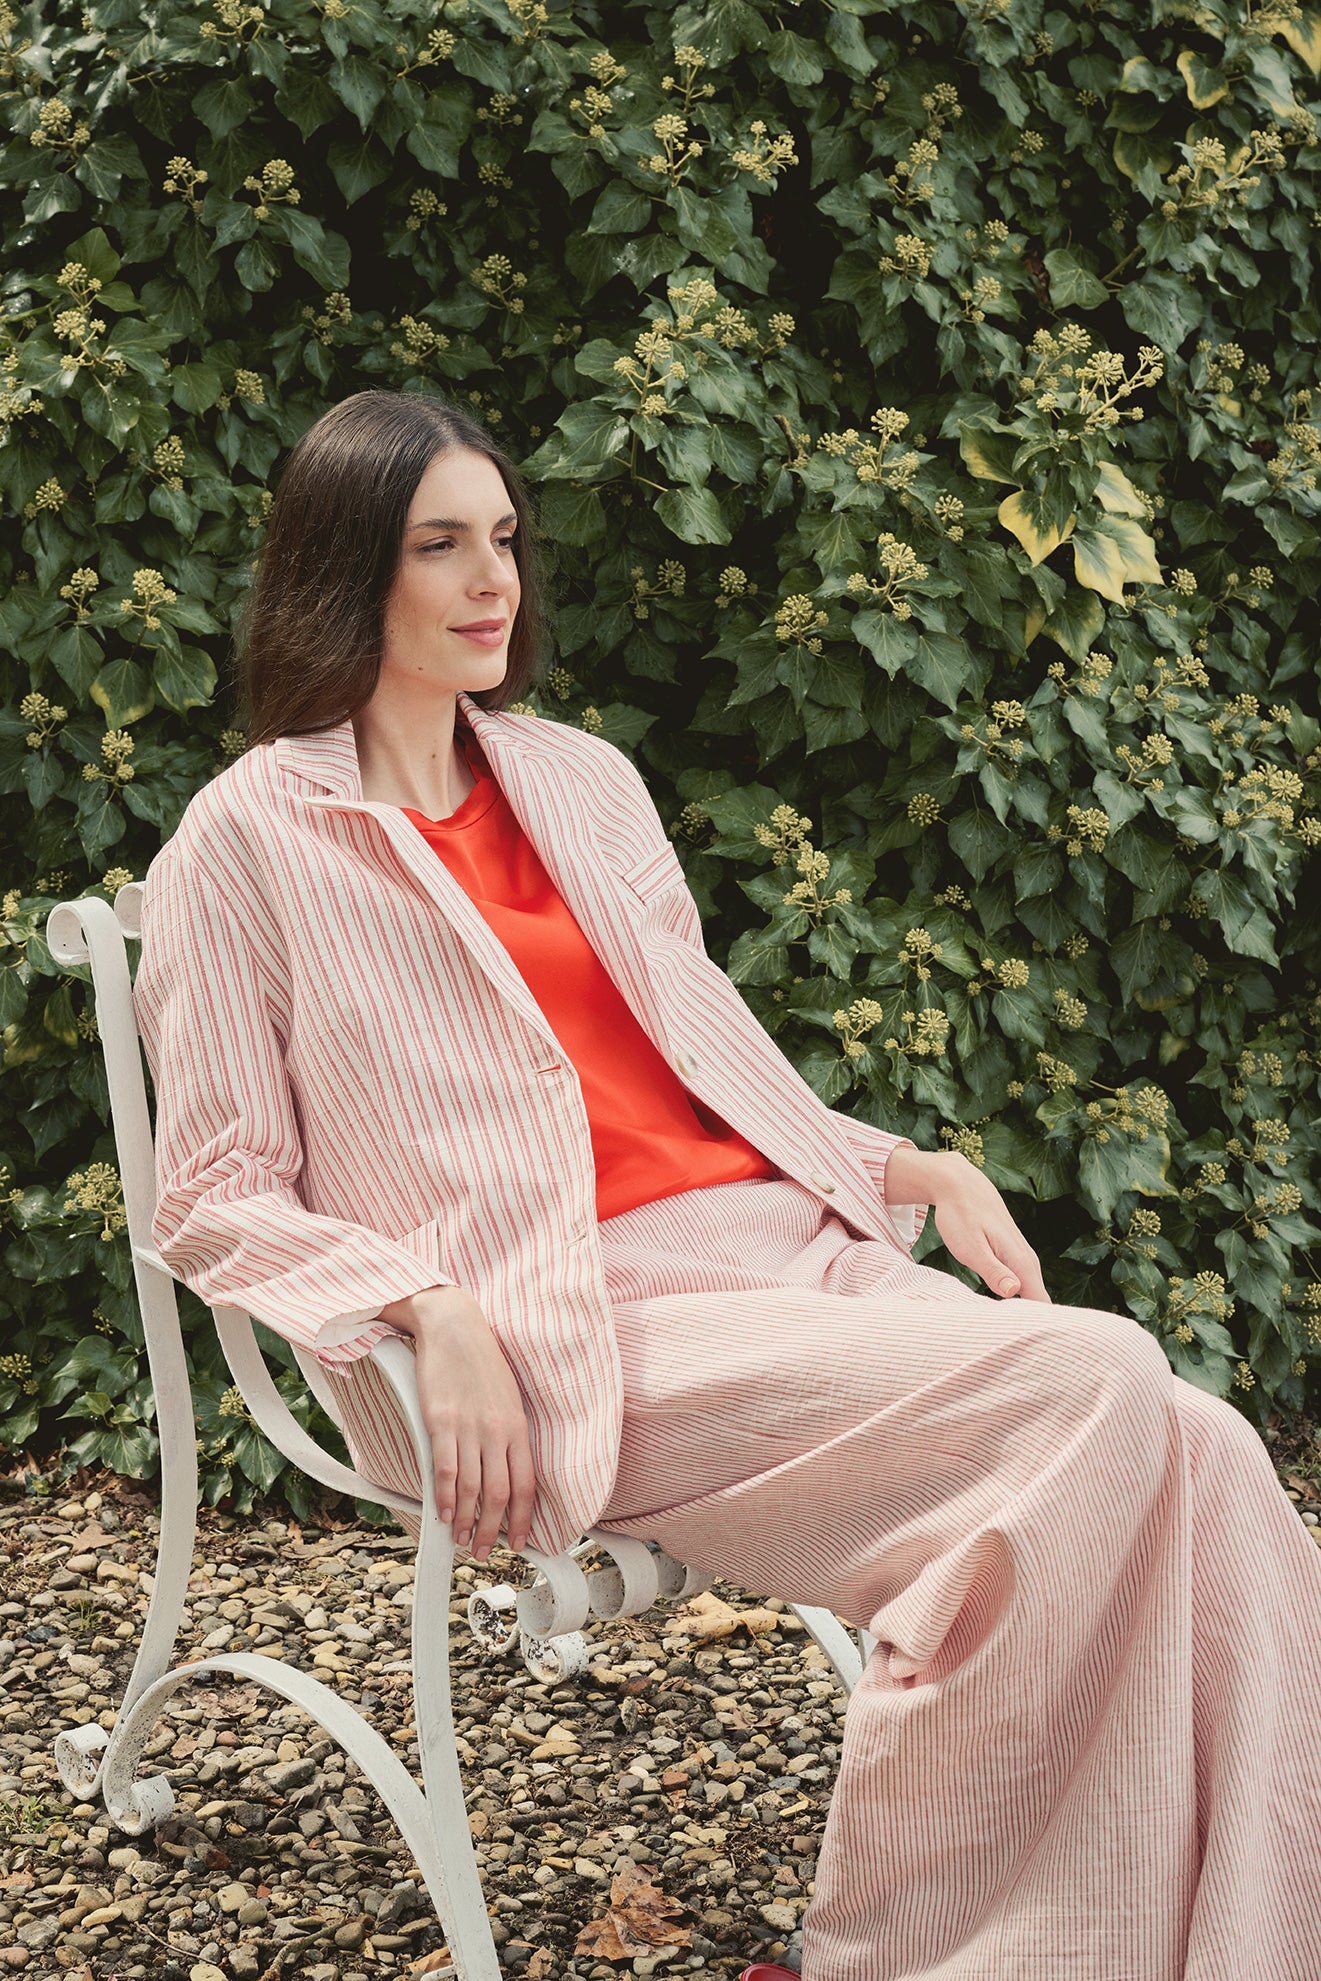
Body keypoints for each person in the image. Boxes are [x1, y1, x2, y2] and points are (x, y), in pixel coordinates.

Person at [133, 389, 1321, 1981]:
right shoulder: (243, 842)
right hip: (567, 1322)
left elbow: (700, 1064)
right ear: (344, 572)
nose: (493, 581)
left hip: (782, 1253)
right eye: (439, 546)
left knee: (1209, 1449)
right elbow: (210, 1184)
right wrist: (424, 1305)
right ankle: (890, 1959)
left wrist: (904, 1164)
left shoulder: (581, 781)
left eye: (505, 538)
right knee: (1098, 1375)